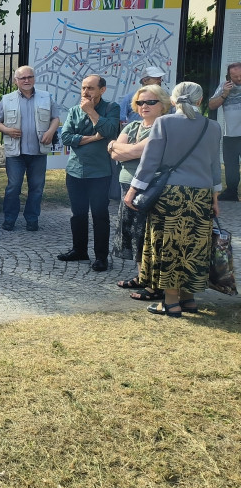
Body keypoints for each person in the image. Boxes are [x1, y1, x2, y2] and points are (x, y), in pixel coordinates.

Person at [124, 82, 222, 317]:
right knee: (194, 247)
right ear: (199, 101)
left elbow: (150, 162)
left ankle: (170, 302)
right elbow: (214, 166)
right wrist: (215, 198)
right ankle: (188, 300)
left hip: (170, 195)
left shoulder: (164, 123)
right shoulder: (213, 126)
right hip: (201, 195)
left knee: (169, 246)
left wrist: (133, 190)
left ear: (174, 101)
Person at [109, 85, 171, 297]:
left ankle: (154, 286)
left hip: (149, 187)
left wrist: (117, 147)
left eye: (150, 102)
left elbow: (131, 150)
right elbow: (115, 156)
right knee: (135, 235)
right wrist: (122, 150)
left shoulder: (163, 126)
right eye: (140, 102)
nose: (144, 106)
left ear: (162, 104)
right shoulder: (133, 125)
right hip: (126, 184)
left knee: (148, 236)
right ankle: (142, 276)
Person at [57, 74, 121, 271]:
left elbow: (110, 131)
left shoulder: (112, 108)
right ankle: (79, 250)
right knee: (78, 214)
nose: (85, 92)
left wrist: (91, 112)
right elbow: (66, 137)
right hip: (75, 170)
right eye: (83, 88)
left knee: (100, 215)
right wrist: (93, 138)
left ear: (102, 90)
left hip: (100, 172)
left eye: (90, 88)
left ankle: (101, 257)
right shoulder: (75, 110)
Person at [0, 65, 59, 231]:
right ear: (16, 81)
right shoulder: (7, 99)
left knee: (36, 188)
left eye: (30, 77)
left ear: (34, 78)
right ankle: (9, 219)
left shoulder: (46, 97)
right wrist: (7, 130)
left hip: (38, 151)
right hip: (16, 153)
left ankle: (32, 219)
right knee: (13, 187)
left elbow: (55, 118)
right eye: (22, 78)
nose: (26, 80)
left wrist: (50, 131)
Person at [207, 62, 241, 201]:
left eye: (240, 75)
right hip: (231, 133)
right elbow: (211, 105)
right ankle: (232, 192)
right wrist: (224, 94)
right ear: (229, 76)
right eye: (235, 76)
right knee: (231, 165)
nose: (238, 78)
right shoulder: (224, 86)